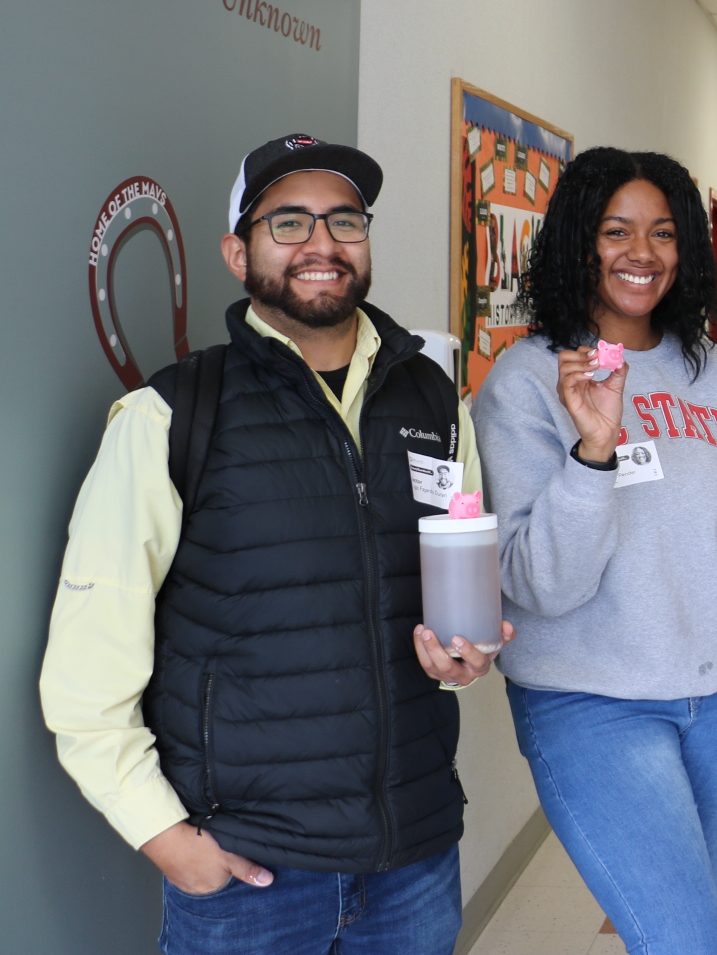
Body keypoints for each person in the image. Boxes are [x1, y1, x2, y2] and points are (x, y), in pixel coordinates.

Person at [42, 134, 500, 955]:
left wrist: (465, 658)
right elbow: (86, 672)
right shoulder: (174, 417)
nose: (322, 244)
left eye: (345, 220)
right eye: (288, 222)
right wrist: (165, 839)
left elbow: (449, 598)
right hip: (251, 873)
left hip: (414, 861)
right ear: (236, 250)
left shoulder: (433, 398)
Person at [472, 147, 717, 955]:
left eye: (663, 233)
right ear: (577, 242)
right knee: (686, 941)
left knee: (683, 932)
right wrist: (593, 453)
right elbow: (535, 585)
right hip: (591, 705)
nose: (642, 253)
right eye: (616, 230)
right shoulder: (524, 385)